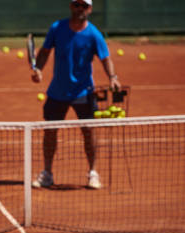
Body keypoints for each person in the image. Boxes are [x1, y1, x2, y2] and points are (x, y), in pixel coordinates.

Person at [31, 0, 121, 189]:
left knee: (89, 132)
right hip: (57, 90)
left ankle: (93, 172)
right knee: (50, 131)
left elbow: (106, 58)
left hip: (83, 91)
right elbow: (45, 51)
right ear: (71, 6)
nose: (80, 9)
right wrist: (38, 68)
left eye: (84, 6)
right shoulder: (57, 28)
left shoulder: (94, 34)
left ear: (89, 9)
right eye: (77, 4)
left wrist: (112, 76)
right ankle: (47, 173)